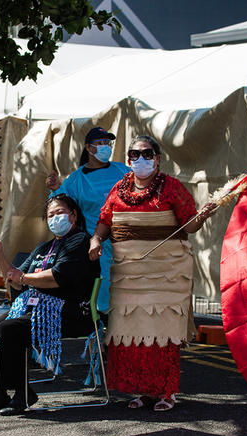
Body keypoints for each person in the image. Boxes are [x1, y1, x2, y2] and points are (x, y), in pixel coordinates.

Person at [89, 135, 217, 412]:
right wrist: (95, 241)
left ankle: (165, 392)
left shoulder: (172, 188)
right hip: (128, 273)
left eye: (147, 154)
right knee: (131, 333)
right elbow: (104, 221)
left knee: (161, 333)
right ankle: (144, 391)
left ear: (157, 159)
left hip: (166, 273)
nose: (141, 159)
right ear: (128, 160)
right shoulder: (118, 189)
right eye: (135, 155)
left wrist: (203, 216)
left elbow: (190, 226)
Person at [0, 194, 100, 416]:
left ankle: (22, 395)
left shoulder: (80, 242)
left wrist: (23, 278)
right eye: (50, 215)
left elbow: (56, 278)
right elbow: (17, 280)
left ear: (74, 215)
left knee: (10, 329)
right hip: (38, 310)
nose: (55, 218)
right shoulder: (44, 247)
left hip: (69, 313)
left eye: (60, 213)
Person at [46, 126, 130, 313]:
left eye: (107, 143)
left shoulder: (123, 171)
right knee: (102, 297)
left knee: (128, 294)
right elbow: (61, 205)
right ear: (89, 148)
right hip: (97, 248)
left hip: (127, 244)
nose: (105, 147)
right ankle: (100, 334)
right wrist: (55, 189)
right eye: (100, 143)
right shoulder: (76, 180)